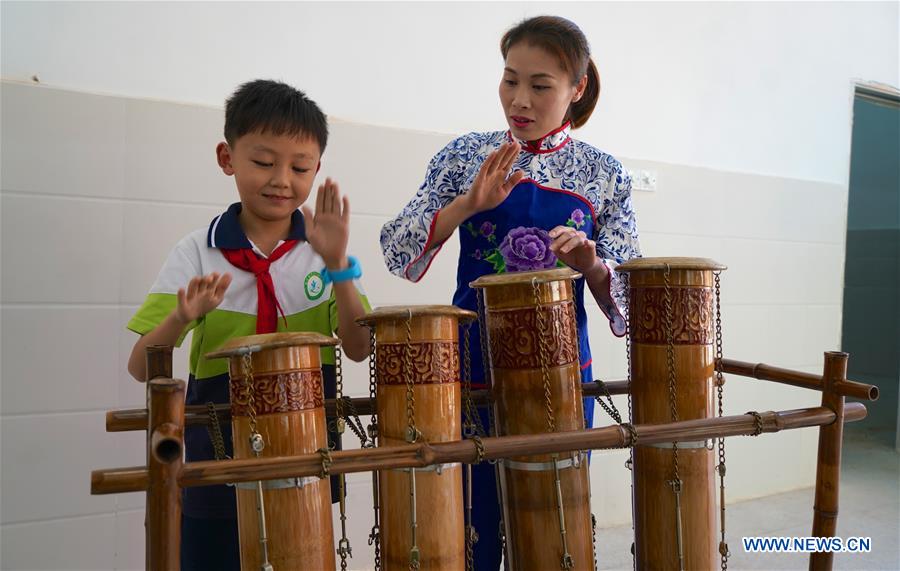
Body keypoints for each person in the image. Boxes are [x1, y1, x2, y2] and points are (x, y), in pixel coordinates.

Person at [380, 15, 641, 569]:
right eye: (509, 80)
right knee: (467, 526)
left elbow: (632, 297)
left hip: (563, 378)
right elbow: (397, 251)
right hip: (469, 368)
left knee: (552, 530)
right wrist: (467, 205)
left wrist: (591, 261)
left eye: (540, 85)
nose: (519, 99)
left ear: (577, 88)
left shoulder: (604, 174)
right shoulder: (464, 156)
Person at [126, 79, 371, 570]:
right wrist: (182, 316)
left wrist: (339, 263)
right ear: (227, 157)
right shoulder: (197, 251)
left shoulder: (322, 254)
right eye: (264, 162)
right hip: (215, 456)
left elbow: (360, 347)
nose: (282, 179)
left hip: (306, 453)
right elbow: (140, 366)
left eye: (300, 167)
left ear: (316, 168)